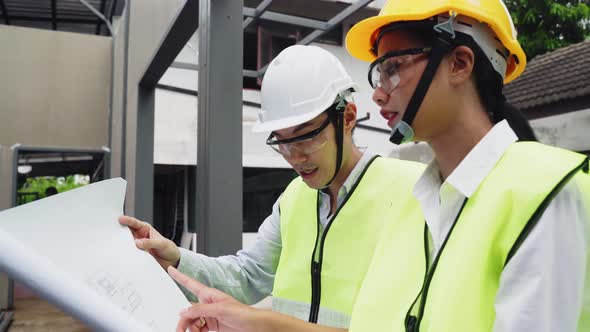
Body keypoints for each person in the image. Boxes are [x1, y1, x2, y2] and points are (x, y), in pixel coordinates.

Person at [165, 0, 590, 331]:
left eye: (392, 69)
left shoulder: (544, 194)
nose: (380, 95)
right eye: (377, 74)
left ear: (460, 63)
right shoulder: (424, 202)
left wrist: (258, 323)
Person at [120, 45, 424, 328]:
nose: (295, 157)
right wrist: (175, 257)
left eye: (305, 137)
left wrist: (261, 324)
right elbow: (248, 277)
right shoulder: (294, 198)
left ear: (347, 117)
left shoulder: (414, 190)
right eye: (282, 142)